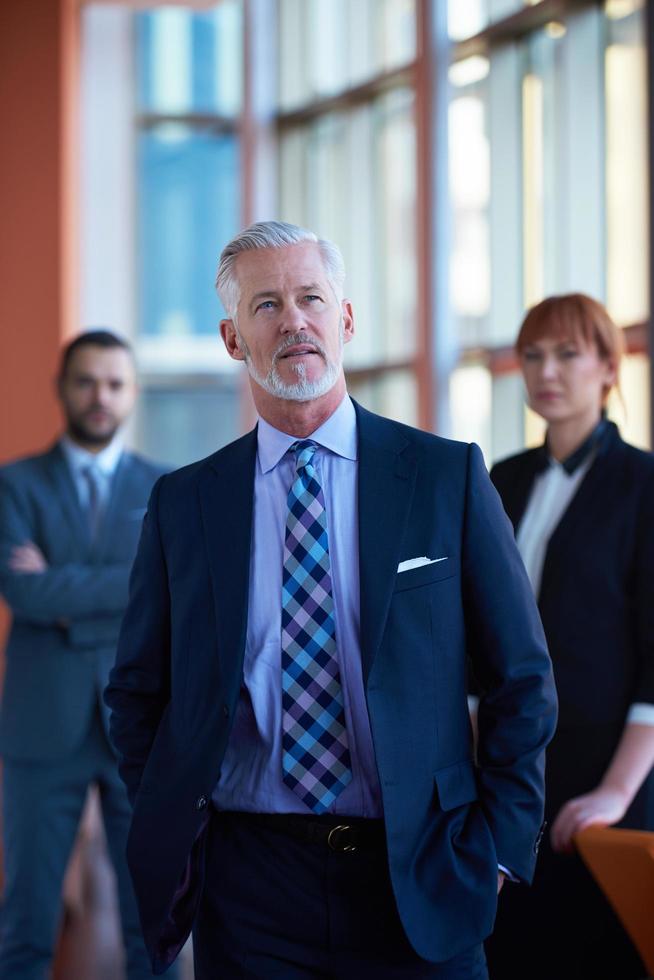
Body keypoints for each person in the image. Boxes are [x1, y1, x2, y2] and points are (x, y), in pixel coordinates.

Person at [105, 220, 557, 979]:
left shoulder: (444, 478)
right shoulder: (185, 504)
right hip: (249, 886)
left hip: (423, 867)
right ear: (231, 338)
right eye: (267, 306)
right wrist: (178, 822)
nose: (294, 321)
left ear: (344, 320)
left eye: (311, 298)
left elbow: (522, 677)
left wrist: (502, 847)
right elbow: (136, 692)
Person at [485, 293, 654, 979]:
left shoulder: (643, 483)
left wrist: (615, 793)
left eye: (567, 354)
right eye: (532, 355)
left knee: (600, 955)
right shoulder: (503, 478)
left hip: (607, 776)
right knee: (513, 952)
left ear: (609, 368)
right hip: (512, 770)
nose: (545, 371)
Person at [0, 331, 167, 979]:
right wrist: (123, 585)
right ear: (61, 388)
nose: (101, 397)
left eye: (115, 383)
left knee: (150, 917)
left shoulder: (164, 486)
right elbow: (23, 591)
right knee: (26, 918)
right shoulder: (14, 485)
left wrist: (63, 592)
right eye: (86, 381)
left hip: (140, 723)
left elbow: (167, 593)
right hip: (42, 724)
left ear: (132, 394)